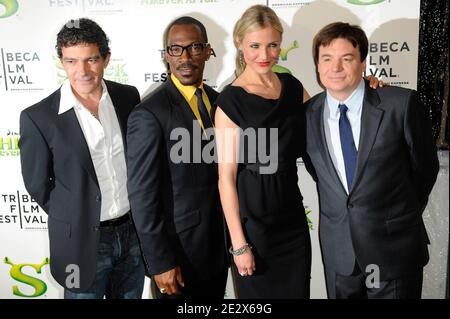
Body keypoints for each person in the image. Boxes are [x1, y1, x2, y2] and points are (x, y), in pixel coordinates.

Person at [305, 22, 439, 299]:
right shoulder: (306, 115)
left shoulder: (400, 105)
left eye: (347, 58)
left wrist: (394, 214)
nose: (336, 67)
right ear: (317, 66)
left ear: (363, 63)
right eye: (327, 59)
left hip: (393, 251)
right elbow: (318, 172)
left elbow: (425, 169)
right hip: (340, 258)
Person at [19, 18, 144, 299]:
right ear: (62, 61)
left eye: (91, 60)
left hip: (132, 233)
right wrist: (75, 213)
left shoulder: (128, 97)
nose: (82, 71)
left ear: (106, 59)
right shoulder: (39, 118)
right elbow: (38, 186)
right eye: (72, 61)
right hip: (82, 242)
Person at [214, 5, 312, 298]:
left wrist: (365, 87)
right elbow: (226, 179)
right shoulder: (230, 101)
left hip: (293, 221)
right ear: (240, 44)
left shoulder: (294, 88)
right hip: (254, 228)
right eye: (255, 45)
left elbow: (327, 120)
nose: (264, 54)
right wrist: (240, 245)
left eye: (272, 45)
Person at [126, 16, 228, 299]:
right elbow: (142, 196)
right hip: (177, 258)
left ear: (208, 51)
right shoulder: (149, 114)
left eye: (194, 47)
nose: (185, 57)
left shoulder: (219, 101)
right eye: (176, 49)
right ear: (166, 56)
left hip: (217, 250)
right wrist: (160, 262)